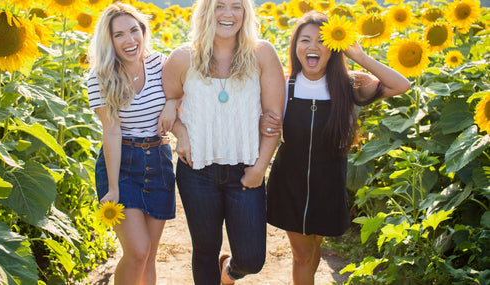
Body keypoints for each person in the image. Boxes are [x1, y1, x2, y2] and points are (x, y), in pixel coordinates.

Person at [261, 11, 411, 285]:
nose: (312, 47)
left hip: (329, 183)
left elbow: (402, 85)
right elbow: (261, 119)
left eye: (322, 41)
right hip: (289, 183)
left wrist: (360, 57)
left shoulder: (349, 84)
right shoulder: (284, 84)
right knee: (303, 255)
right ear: (295, 47)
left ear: (334, 48)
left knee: (315, 245)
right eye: (304, 40)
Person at [159, 0, 285, 283]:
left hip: (245, 172)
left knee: (252, 259)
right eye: (220, 6)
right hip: (196, 172)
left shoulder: (262, 54)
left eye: (236, 6)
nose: (228, 14)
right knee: (204, 250)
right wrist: (182, 133)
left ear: (246, 13)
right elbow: (166, 107)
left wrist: (259, 169)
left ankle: (229, 271)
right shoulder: (183, 58)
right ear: (206, 11)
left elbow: (274, 119)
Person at [87, 3, 175, 285]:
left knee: (149, 254)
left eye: (134, 31)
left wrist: (172, 103)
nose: (130, 40)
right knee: (137, 251)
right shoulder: (100, 76)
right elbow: (111, 131)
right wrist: (113, 187)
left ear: (143, 31)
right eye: (119, 34)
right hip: (121, 163)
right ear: (109, 40)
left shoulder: (160, 64)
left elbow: (180, 93)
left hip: (159, 161)